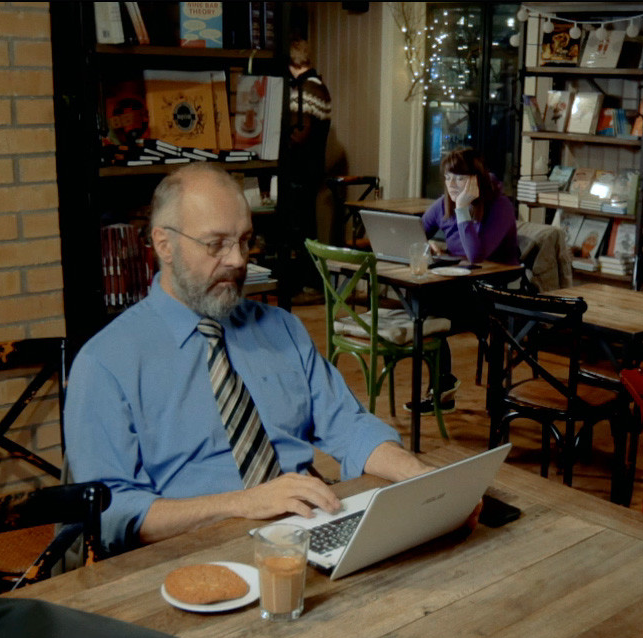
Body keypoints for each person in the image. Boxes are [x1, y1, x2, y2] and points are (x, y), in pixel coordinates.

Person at [64, 163, 432, 554]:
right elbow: (108, 513)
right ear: (164, 244)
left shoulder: (280, 329)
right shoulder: (106, 363)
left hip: (301, 535)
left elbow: (349, 426)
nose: (238, 260)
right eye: (216, 244)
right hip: (190, 555)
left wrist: (424, 479)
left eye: (244, 241)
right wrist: (244, 504)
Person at [410, 147, 521, 412]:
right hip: (461, 285)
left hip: (497, 292)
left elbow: (476, 254)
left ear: (475, 179)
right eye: (448, 178)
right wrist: (429, 247)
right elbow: (417, 232)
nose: (452, 185)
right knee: (419, 305)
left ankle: (470, 393)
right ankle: (442, 384)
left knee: (426, 309)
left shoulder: (500, 206)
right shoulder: (442, 203)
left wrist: (461, 209)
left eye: (459, 178)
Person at [276, 36, 332, 303]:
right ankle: (311, 282)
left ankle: (309, 284)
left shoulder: (306, 88)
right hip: (310, 168)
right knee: (304, 226)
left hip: (300, 169)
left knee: (300, 227)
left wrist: (279, 144)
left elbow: (300, 134)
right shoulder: (316, 85)